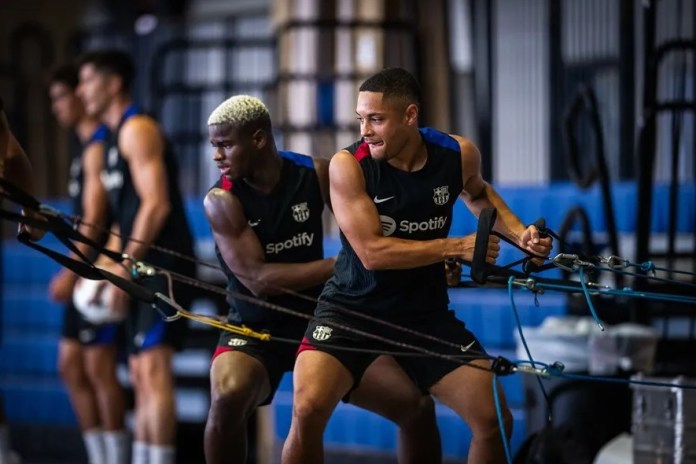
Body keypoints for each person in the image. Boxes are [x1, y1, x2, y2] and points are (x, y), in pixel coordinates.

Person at [281, 67, 553, 464]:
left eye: (376, 119)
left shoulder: (457, 154)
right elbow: (372, 253)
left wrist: (521, 234)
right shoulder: (349, 166)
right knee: (307, 409)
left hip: (423, 314)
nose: (365, 130)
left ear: (410, 115)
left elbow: (479, 194)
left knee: (493, 417)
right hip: (351, 310)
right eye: (361, 119)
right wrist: (454, 246)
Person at [203, 94, 443, 464]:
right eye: (214, 147)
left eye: (225, 145)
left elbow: (369, 239)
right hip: (253, 330)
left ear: (259, 138)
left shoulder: (315, 172)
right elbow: (259, 280)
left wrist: (429, 262)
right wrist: (343, 262)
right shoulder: (221, 200)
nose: (217, 156)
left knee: (416, 406)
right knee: (227, 396)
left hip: (323, 325)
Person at [77, 49, 196, 464]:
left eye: (88, 80)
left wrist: (124, 264)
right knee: (141, 374)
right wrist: (106, 266)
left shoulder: (137, 129)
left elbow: (156, 205)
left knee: (154, 371)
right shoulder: (109, 140)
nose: (81, 90)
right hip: (138, 263)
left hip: (164, 266)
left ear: (113, 84)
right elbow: (121, 215)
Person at [47, 64, 128, 464]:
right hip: (84, 271)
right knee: (71, 367)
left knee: (98, 369)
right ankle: (100, 456)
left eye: (62, 96)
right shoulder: (85, 148)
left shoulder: (100, 144)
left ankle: (114, 458)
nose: (57, 106)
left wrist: (70, 271)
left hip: (95, 273)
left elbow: (96, 221)